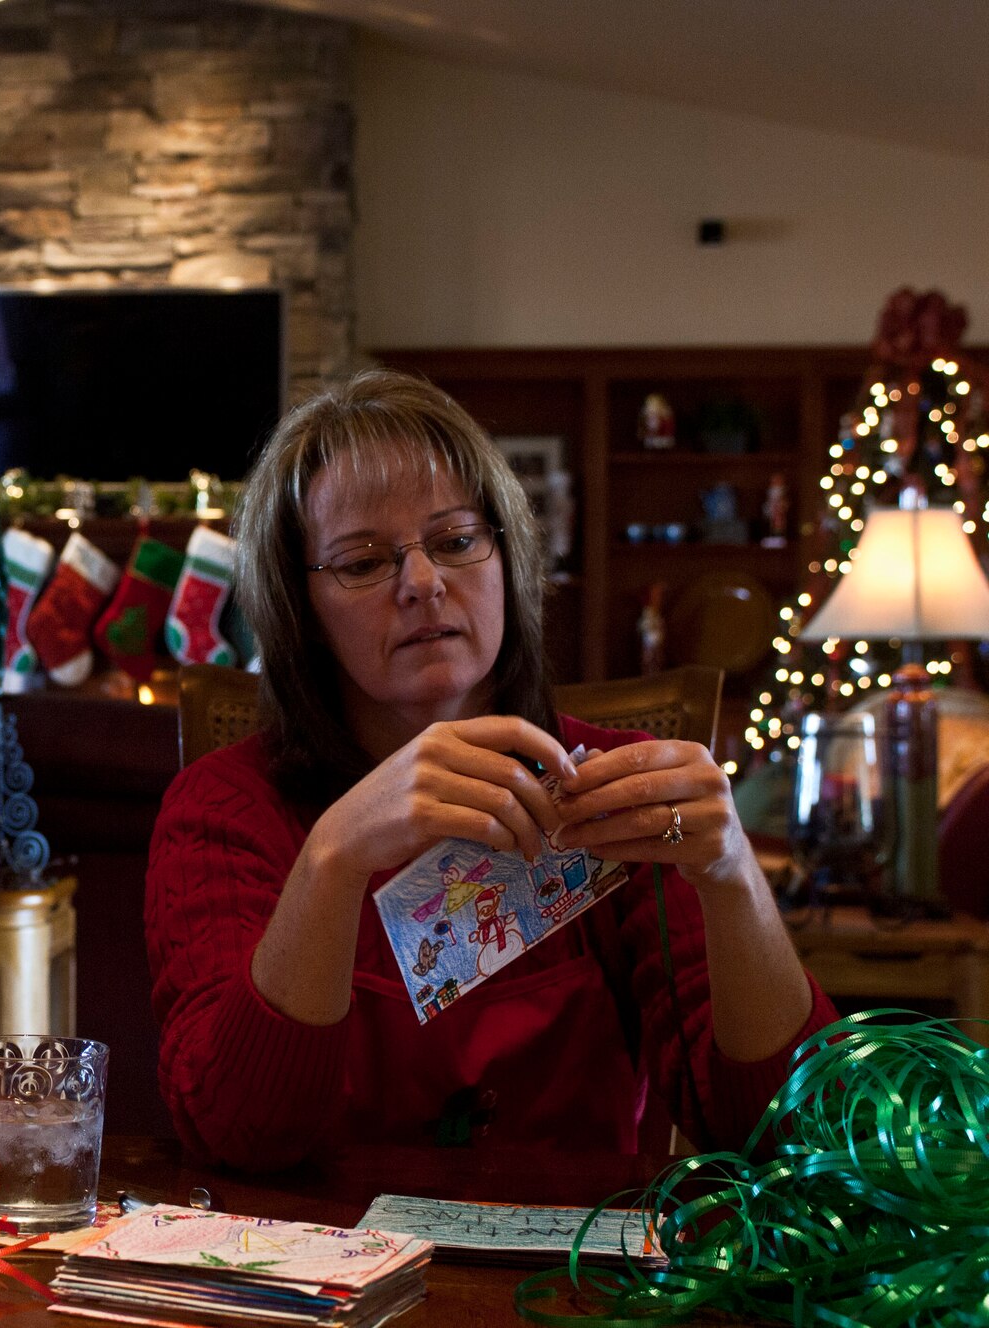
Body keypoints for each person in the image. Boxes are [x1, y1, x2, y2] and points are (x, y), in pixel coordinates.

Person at [146, 370, 833, 1170]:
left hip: (573, 1283)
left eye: (456, 541)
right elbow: (237, 1138)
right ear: (299, 612)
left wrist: (732, 874)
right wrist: (332, 859)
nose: (424, 583)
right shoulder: (225, 807)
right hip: (321, 1280)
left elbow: (784, 1140)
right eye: (364, 562)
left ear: (509, 559)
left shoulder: (613, 794)